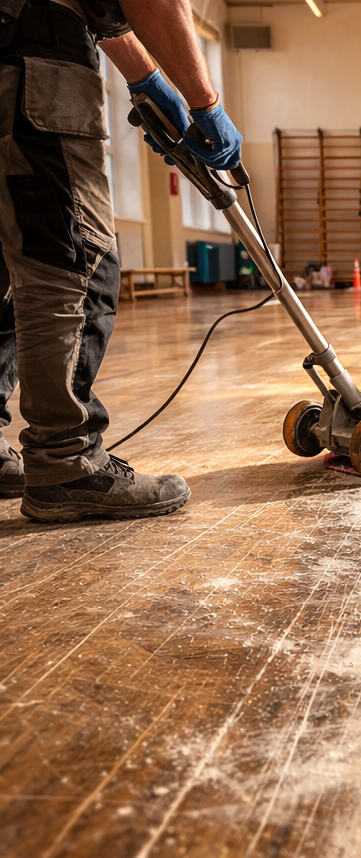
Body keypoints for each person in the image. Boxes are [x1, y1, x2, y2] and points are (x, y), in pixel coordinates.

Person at [0, 0, 242, 522]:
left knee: (9, 266)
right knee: (74, 264)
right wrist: (204, 101)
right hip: (35, 58)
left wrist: (147, 78)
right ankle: (65, 463)